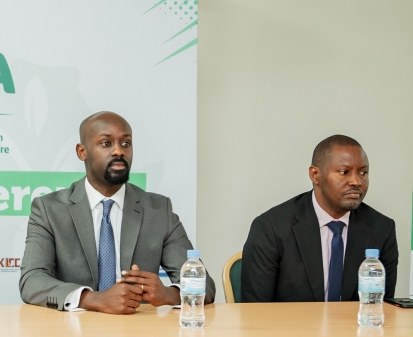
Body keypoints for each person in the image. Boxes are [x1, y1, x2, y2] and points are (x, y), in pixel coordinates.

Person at [20, 111, 215, 314]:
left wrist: (168, 294)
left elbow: (204, 285)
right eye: (106, 143)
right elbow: (31, 281)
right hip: (72, 334)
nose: (118, 151)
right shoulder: (49, 209)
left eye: (126, 143)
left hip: (137, 334)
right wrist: (93, 299)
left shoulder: (158, 210)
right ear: (82, 152)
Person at [241, 135, 397, 302]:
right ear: (315, 175)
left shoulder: (381, 229)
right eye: (344, 172)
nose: (356, 181)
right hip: (291, 327)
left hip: (353, 327)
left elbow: (381, 307)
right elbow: (254, 310)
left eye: (363, 172)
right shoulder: (271, 228)